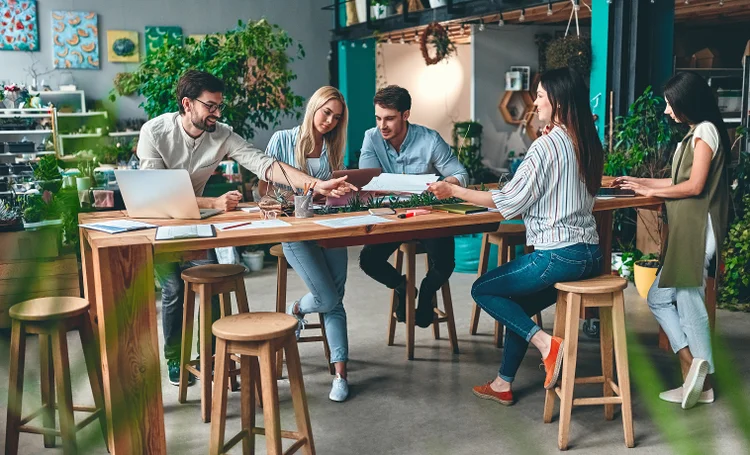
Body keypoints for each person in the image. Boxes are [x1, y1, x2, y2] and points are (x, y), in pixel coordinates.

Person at [137, 70, 355, 385]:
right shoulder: (154, 132)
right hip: (160, 221)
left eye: (219, 106)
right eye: (210, 106)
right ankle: (176, 360)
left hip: (195, 223)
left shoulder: (222, 134)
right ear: (187, 104)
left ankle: (210, 357)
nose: (217, 113)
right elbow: (157, 191)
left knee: (208, 283)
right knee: (173, 289)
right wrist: (212, 204)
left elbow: (265, 164)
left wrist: (317, 184)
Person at [427, 68, 603, 405]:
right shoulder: (588, 142)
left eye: (539, 96)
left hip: (558, 256)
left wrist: (452, 190)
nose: (535, 103)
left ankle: (547, 345)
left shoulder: (547, 146)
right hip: (590, 256)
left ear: (559, 101)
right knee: (517, 306)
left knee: (483, 289)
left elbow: (507, 203)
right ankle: (502, 383)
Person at [615, 71, 730, 409]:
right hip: (687, 229)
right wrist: (640, 181)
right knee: (659, 298)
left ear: (686, 103)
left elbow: (695, 187)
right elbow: (678, 180)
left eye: (669, 104)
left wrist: (646, 188)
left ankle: (701, 375)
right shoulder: (695, 133)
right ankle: (691, 367)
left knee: (689, 299)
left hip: (698, 230)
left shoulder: (705, 131)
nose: (666, 111)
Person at [264, 86, 351, 402]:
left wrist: (342, 193)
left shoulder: (332, 148)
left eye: (336, 117)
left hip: (330, 228)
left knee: (335, 299)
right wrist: (309, 193)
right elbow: (266, 194)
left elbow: (335, 195)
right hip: (295, 231)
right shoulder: (282, 140)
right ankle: (297, 309)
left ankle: (341, 375)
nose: (329, 121)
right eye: (326, 112)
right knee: (328, 297)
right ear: (314, 106)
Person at [358, 85, 468, 328]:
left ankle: (427, 293)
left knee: (445, 263)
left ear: (405, 115)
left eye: (389, 118)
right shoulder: (371, 138)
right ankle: (403, 287)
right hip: (392, 218)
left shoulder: (429, 139)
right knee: (368, 261)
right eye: (378, 118)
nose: (382, 125)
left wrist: (446, 185)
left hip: (426, 216)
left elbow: (460, 173)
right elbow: (368, 181)